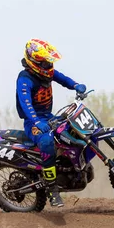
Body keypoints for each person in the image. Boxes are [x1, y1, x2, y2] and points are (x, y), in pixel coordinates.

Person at [16, 38, 86, 207]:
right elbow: (26, 104)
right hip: (33, 122)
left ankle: (73, 168)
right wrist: (36, 122)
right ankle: (51, 188)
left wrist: (76, 85)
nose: (48, 66)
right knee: (47, 142)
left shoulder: (46, 71)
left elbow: (64, 79)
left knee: (75, 130)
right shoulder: (25, 79)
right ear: (33, 61)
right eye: (45, 63)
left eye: (49, 62)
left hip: (49, 117)